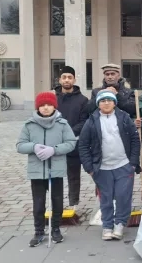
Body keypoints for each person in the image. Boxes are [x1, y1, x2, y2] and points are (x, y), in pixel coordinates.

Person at [78, 89, 141, 241]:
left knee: (122, 196)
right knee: (105, 198)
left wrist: (132, 163)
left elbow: (134, 139)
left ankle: (119, 223)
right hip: (102, 168)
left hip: (124, 165)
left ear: (114, 103)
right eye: (103, 100)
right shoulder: (91, 121)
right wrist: (89, 168)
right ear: (98, 104)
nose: (106, 103)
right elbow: (83, 145)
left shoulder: (124, 118)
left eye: (109, 100)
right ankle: (107, 225)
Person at [16, 91, 77, 247]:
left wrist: (54, 149)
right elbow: (20, 145)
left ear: (54, 106)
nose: (45, 108)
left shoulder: (62, 124)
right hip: (37, 171)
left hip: (55, 169)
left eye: (49, 104)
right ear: (38, 107)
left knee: (56, 201)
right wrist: (34, 147)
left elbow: (71, 143)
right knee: (38, 202)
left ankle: (55, 228)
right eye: (42, 105)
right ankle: (38, 231)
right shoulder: (29, 125)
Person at [53, 65, 88, 211]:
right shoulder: (52, 99)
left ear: (74, 79)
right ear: (60, 80)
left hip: (74, 143)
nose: (67, 80)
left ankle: (73, 203)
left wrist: (68, 134)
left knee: (74, 176)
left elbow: (84, 121)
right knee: (56, 176)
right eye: (64, 77)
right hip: (54, 144)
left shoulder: (82, 100)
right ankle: (56, 204)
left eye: (70, 77)